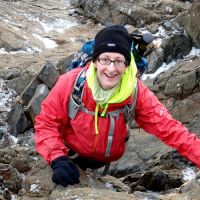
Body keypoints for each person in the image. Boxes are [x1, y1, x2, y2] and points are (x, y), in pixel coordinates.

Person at [34, 25, 200, 187]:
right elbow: (46, 123)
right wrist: (57, 158)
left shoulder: (135, 92)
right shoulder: (71, 84)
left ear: (127, 64)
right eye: (105, 59)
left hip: (102, 162)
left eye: (119, 61)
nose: (111, 69)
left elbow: (170, 129)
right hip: (70, 155)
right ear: (95, 61)